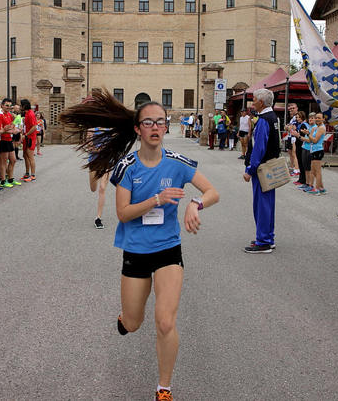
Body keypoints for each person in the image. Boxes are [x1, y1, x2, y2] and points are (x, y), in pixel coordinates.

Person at [60, 91, 219, 401]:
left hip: (168, 250)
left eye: (160, 121)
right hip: (136, 251)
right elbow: (123, 213)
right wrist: (156, 199)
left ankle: (164, 388)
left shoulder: (177, 163)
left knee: (165, 322)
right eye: (148, 122)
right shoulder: (127, 166)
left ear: (167, 127)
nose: (155, 127)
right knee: (134, 323)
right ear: (137, 128)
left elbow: (213, 191)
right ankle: (126, 318)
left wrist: (195, 204)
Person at [243, 89, 280, 253]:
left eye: (254, 100)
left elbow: (259, 148)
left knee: (261, 205)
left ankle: (263, 240)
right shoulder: (273, 117)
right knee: (268, 204)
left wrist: (250, 169)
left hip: (262, 168)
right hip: (270, 166)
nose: (252, 103)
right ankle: (267, 237)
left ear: (261, 102)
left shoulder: (264, 120)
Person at [87, 128, 110, 229]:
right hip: (94, 161)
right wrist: (104, 149)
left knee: (102, 188)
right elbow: (90, 147)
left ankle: (98, 218)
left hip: (106, 161)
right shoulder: (92, 129)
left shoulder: (111, 129)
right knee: (93, 188)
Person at [0, 98, 21, 187]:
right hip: (3, 140)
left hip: (9, 140)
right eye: (6, 105)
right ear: (2, 106)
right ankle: (3, 180)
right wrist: (11, 131)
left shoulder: (9, 115)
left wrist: (16, 129)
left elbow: (12, 126)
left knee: (13, 160)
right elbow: (0, 130)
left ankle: (10, 179)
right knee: (3, 162)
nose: (8, 107)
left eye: (10, 106)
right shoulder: (0, 115)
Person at [304, 112, 326, 195]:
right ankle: (321, 188)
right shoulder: (317, 127)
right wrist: (308, 133)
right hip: (314, 150)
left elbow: (315, 140)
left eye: (319, 118)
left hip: (318, 150)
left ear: (323, 119)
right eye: (316, 118)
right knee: (313, 171)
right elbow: (311, 140)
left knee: (317, 171)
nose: (317, 119)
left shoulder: (321, 128)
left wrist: (308, 134)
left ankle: (317, 189)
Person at [20, 99, 37, 182]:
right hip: (26, 137)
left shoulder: (30, 114)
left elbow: (34, 127)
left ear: (24, 106)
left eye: (21, 105)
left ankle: (33, 175)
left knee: (30, 156)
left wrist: (26, 134)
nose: (20, 107)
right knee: (25, 155)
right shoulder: (26, 113)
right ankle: (27, 173)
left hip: (30, 138)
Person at [292, 111, 308, 187]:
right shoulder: (300, 125)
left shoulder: (303, 125)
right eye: (297, 117)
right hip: (299, 145)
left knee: (301, 163)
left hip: (301, 145)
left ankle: (303, 180)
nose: (297, 119)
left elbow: (301, 136)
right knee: (300, 163)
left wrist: (296, 133)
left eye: (298, 117)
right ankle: (301, 179)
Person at [284, 103, 299, 174]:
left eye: (293, 108)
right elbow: (288, 128)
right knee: (290, 153)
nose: (291, 110)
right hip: (290, 137)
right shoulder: (292, 118)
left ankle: (296, 168)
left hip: (294, 138)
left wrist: (288, 127)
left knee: (294, 153)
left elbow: (292, 128)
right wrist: (288, 127)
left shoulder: (297, 117)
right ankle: (292, 166)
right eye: (290, 109)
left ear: (297, 108)